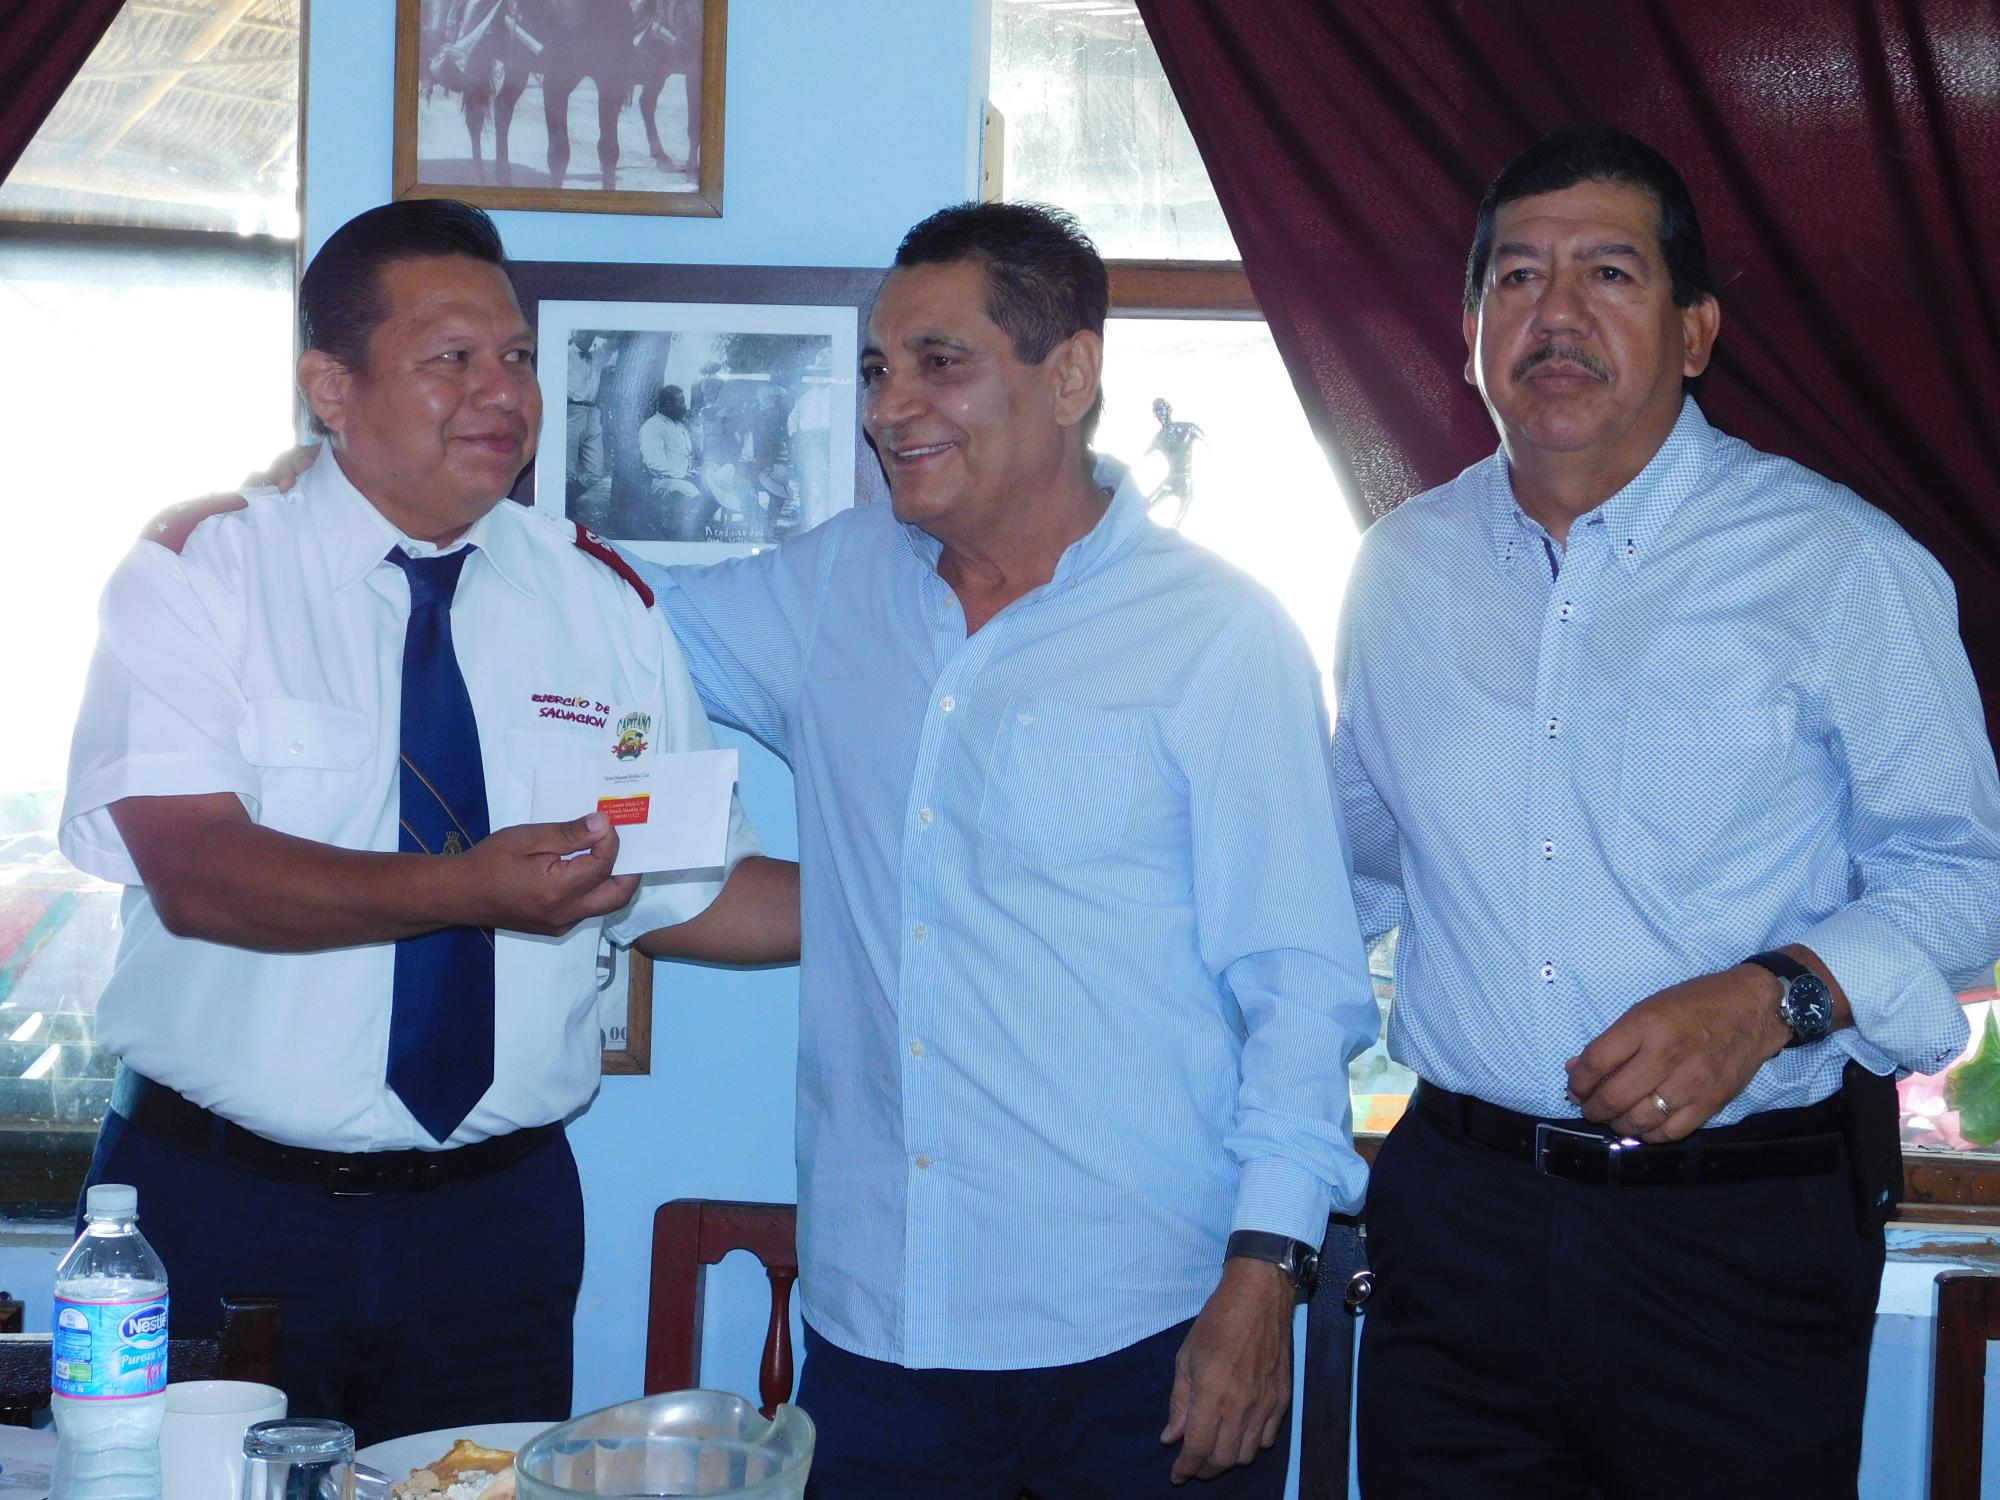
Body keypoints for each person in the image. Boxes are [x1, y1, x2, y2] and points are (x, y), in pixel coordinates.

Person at [640, 201, 1376, 1498]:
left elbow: (1303, 994)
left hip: (1146, 1334)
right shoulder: (829, 588)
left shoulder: (1216, 634)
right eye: (876, 367)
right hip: (881, 1335)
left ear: (1071, 375)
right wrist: (335, 501)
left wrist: (1266, 1277)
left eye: (940, 361)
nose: (888, 405)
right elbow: (602, 635)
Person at [57, 199, 795, 1445]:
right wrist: (464, 891)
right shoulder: (205, 575)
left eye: (515, 357)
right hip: (226, 1206)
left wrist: (921, 903)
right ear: (328, 388)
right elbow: (197, 871)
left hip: (492, 1224)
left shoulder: (599, 604)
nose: (500, 392)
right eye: (450, 358)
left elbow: (682, 883)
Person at [1335, 123, 2000, 1498]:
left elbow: (1968, 875)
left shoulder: (1838, 565)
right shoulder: (1399, 571)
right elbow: (1352, 862)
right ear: (1469, 332)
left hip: (1737, 1238)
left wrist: (1778, 998)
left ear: (1696, 332)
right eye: (1515, 278)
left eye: (1610, 275)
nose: (1555, 314)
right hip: (1456, 1227)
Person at [637, 383, 705, 537]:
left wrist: (695, 427)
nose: (684, 407)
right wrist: (682, 474)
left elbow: (692, 453)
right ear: (667, 404)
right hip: (663, 481)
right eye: (680, 403)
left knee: (711, 490)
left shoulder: (679, 425)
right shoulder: (652, 426)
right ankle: (678, 532)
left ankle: (696, 529)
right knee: (692, 493)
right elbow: (653, 463)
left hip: (685, 476)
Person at [566, 329, 614, 505]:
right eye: (583, 332)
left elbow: (616, 337)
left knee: (595, 472)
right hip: (570, 411)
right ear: (574, 332)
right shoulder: (564, 353)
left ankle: (569, 499)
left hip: (593, 413)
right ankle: (565, 507)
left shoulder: (598, 355)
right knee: (567, 470)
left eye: (591, 333)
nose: (586, 337)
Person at [1143, 396, 1205, 529]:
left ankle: (1175, 528)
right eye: (1158, 411)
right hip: (1170, 480)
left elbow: (1208, 445)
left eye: (1162, 409)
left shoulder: (1188, 429)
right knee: (1148, 503)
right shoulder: (1159, 438)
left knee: (1184, 507)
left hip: (1185, 479)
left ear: (1169, 409)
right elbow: (1145, 458)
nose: (1161, 414)